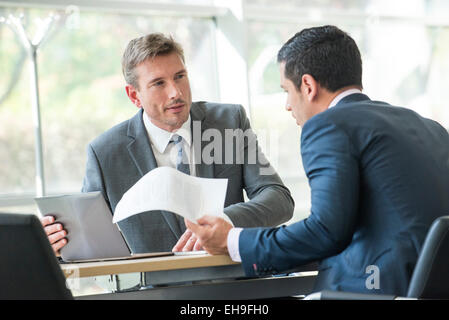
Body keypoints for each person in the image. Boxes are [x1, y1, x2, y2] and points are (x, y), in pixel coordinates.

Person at [186, 25, 449, 296]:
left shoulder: (328, 125)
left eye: (287, 90)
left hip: (372, 289)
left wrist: (231, 240)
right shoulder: (429, 127)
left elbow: (326, 230)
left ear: (308, 86)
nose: (288, 105)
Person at [40, 33, 294, 256]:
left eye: (180, 76)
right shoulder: (105, 152)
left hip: (231, 282)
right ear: (133, 95)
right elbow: (90, 238)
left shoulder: (229, 122)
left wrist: (226, 219)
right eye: (159, 83)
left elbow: (279, 200)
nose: (176, 92)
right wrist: (60, 241)